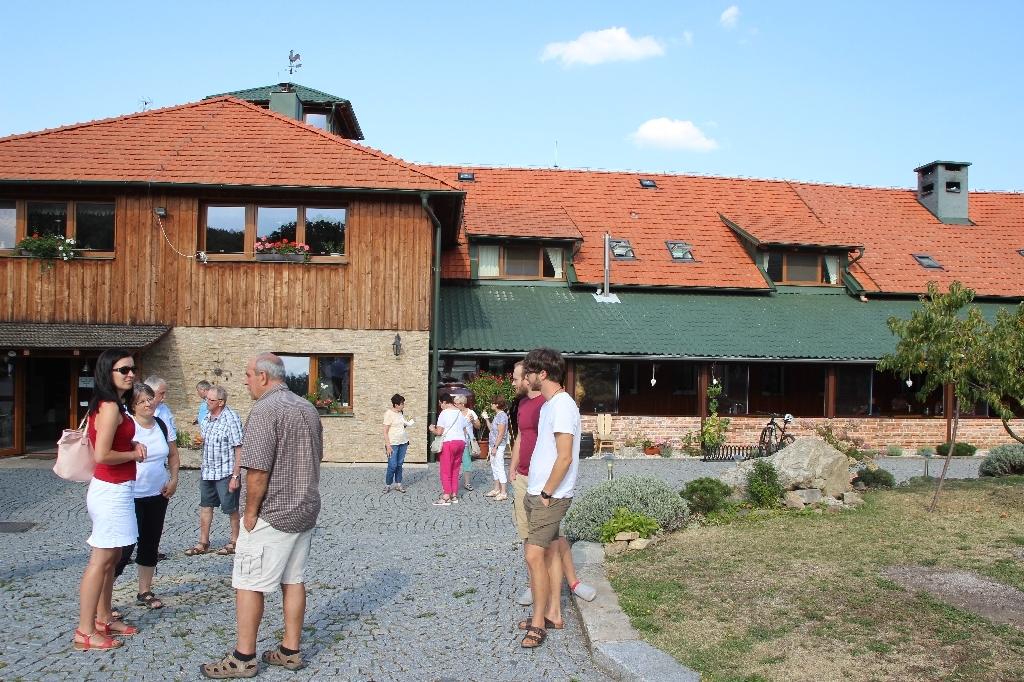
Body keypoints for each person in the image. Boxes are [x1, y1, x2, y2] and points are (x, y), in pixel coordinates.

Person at [201, 353, 323, 678]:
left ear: (264, 377)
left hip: (273, 512)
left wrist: (250, 514)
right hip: (305, 508)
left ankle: (243, 658)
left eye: (248, 375)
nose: (245, 381)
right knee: (293, 580)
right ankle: (290, 651)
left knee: (248, 583)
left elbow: (256, 470)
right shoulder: (308, 408)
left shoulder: (265, 410)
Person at [73, 349, 145, 651]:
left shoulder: (114, 404)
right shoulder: (110, 406)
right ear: (108, 372)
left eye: (132, 369)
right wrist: (133, 453)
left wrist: (130, 442)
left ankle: (103, 617)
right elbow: (102, 454)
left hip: (117, 488)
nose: (131, 374)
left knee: (113, 557)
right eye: (123, 370)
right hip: (110, 490)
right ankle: (85, 630)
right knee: (101, 560)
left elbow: (111, 442)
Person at [508, 361, 595, 610]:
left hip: (546, 484)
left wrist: (548, 490)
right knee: (529, 536)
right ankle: (537, 585)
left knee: (552, 539)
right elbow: (521, 436)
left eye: (518, 377)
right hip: (526, 478)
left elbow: (563, 451)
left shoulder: (551, 403)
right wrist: (513, 466)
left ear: (532, 377)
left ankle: (572, 583)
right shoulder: (524, 404)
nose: (515, 382)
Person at [518, 348, 581, 649]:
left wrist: (546, 492)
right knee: (550, 552)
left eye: (529, 372)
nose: (525, 377)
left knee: (532, 555)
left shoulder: (563, 406)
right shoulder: (548, 405)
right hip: (537, 491)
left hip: (550, 495)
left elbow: (565, 456)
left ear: (542, 374)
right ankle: (553, 614)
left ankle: (538, 623)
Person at [114, 383, 179, 610]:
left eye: (150, 399)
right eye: (141, 401)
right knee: (124, 547)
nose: (148, 404)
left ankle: (145, 590)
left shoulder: (161, 424)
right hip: (130, 494)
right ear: (132, 406)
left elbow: (173, 455)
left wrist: (174, 479)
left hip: (157, 493)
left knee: (150, 542)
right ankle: (104, 596)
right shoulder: (127, 426)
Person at [186, 385, 242, 557]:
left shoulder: (231, 418)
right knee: (205, 506)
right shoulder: (206, 418)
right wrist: (200, 442)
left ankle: (235, 541)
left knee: (231, 508)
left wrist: (235, 475)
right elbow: (207, 439)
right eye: (206, 399)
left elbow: (239, 448)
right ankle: (203, 542)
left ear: (221, 402)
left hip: (225, 472)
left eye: (210, 400)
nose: (207, 402)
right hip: (208, 471)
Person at [145, 374, 177, 561]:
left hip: (158, 472)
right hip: (135, 479)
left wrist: (174, 478)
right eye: (161, 394)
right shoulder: (128, 414)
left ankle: (151, 550)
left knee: (154, 522)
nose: (164, 398)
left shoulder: (164, 412)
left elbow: (172, 449)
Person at [429, 394, 470, 506]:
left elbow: (439, 432)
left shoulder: (444, 413)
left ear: (444, 402)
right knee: (455, 469)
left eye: (440, 404)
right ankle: (454, 495)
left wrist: (432, 429)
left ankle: (446, 496)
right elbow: (464, 429)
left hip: (449, 443)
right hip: (461, 442)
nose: (440, 406)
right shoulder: (460, 412)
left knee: (445, 470)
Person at [382, 394, 414, 493]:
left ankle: (398, 484)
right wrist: (388, 446)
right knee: (392, 465)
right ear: (396, 405)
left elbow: (401, 426)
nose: (403, 405)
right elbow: (385, 431)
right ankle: (388, 485)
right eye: (402, 404)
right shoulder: (388, 414)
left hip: (403, 442)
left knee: (399, 464)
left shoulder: (401, 413)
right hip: (393, 443)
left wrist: (408, 423)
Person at [482, 395, 509, 501]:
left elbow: (501, 434)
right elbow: (492, 430)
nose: (491, 404)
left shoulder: (502, 416)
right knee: (494, 466)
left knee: (499, 467)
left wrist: (495, 447)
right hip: (493, 444)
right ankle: (497, 489)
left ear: (497, 404)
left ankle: (503, 492)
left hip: (498, 446)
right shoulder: (497, 415)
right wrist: (486, 419)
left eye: (492, 403)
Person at [452, 393, 480, 492]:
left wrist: (473, 421)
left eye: (457, 403)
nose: (455, 405)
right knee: (454, 462)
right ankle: (453, 482)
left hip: (467, 442)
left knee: (467, 462)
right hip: (455, 440)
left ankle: (467, 483)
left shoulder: (470, 412)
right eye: (454, 403)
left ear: (463, 404)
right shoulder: (454, 412)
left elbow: (478, 426)